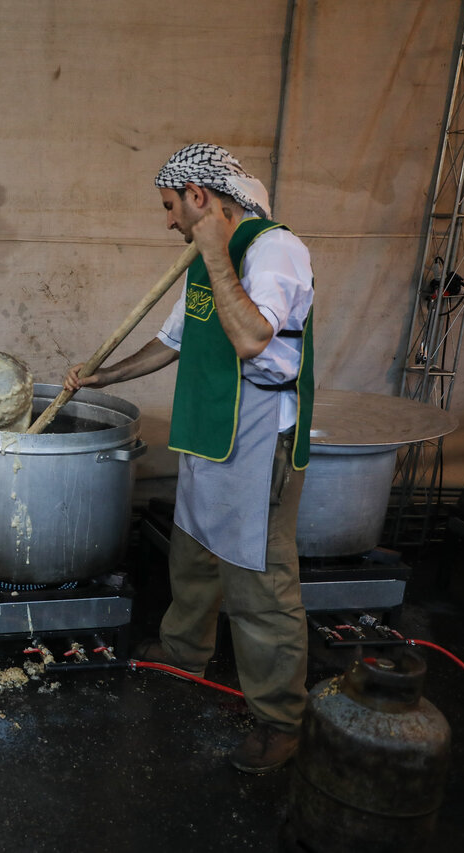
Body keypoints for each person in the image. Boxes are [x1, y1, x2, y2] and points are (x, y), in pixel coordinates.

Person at [64, 143, 315, 774]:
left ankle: (280, 719)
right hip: (208, 428)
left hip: (258, 436)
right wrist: (106, 377)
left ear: (199, 197)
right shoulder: (205, 259)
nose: (168, 221)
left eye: (171, 206)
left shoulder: (272, 249)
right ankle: (182, 654)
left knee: (259, 583)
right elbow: (171, 341)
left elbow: (254, 337)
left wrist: (212, 252)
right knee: (196, 553)